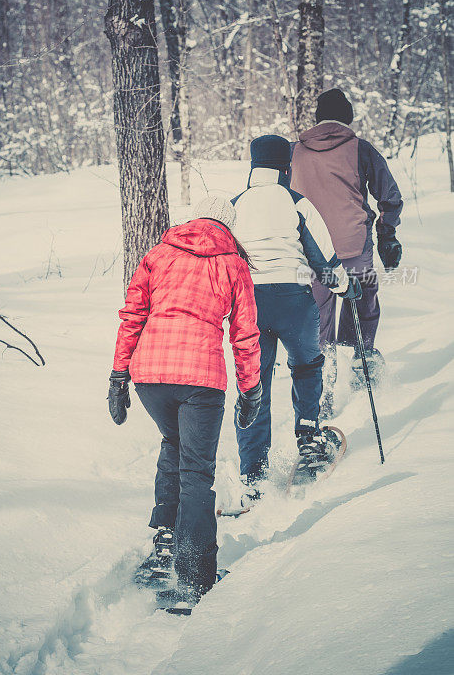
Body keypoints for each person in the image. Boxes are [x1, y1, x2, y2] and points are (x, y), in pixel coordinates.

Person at [108, 196, 261, 606]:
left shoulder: (159, 253)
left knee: (173, 444)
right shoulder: (233, 262)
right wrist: (251, 390)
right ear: (228, 226)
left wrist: (119, 374)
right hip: (200, 381)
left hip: (150, 377)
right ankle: (194, 578)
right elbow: (244, 334)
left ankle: (164, 548)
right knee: (196, 473)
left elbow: (132, 315)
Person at [232, 135, 360, 489]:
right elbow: (323, 259)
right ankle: (309, 437)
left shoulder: (234, 205)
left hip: (249, 305)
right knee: (306, 365)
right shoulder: (297, 203)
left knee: (254, 384)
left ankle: (253, 473)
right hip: (293, 300)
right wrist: (346, 287)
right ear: (286, 167)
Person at [290, 88, 403, 397]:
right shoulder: (361, 149)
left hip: (311, 251)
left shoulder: (293, 152)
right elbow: (390, 197)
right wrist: (387, 233)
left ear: (316, 119)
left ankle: (322, 376)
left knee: (318, 311)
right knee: (363, 296)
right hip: (353, 245)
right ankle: (362, 356)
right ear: (348, 118)